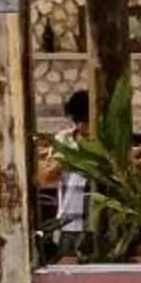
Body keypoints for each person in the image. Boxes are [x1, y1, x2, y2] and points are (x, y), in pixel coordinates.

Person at [51, 89, 92, 257]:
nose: (81, 126)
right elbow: (49, 175)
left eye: (86, 121)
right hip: (68, 219)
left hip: (95, 223)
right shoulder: (63, 139)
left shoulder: (107, 141)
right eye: (77, 121)